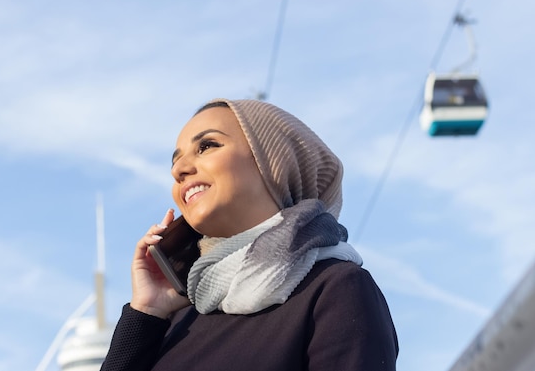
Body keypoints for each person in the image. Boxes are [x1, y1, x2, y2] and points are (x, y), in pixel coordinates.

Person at [101, 98, 399, 371]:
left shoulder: (334, 288)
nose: (179, 170)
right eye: (175, 161)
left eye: (207, 146)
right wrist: (147, 312)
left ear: (271, 162)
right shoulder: (177, 316)